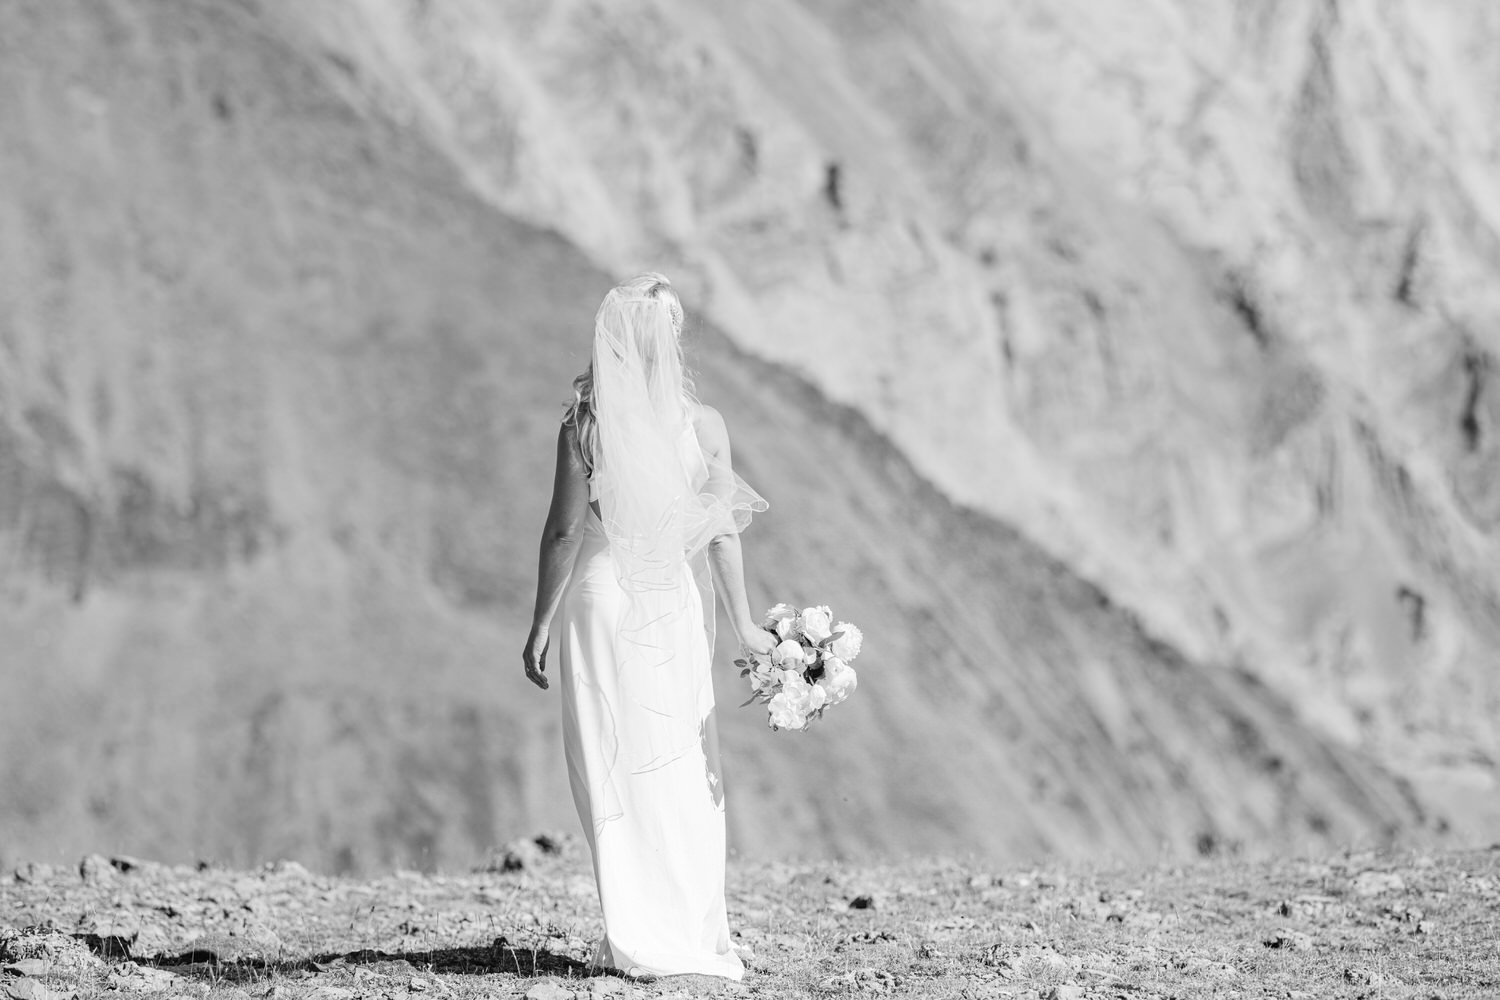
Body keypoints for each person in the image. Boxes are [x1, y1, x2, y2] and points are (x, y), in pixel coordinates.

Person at [522, 273, 777, 980]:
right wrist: (748, 625)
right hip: (673, 606)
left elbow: (565, 531)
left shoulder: (586, 425)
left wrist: (540, 621)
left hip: (602, 603)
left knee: (611, 767)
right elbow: (723, 535)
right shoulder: (706, 428)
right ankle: (694, 929)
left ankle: (634, 931)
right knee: (684, 771)